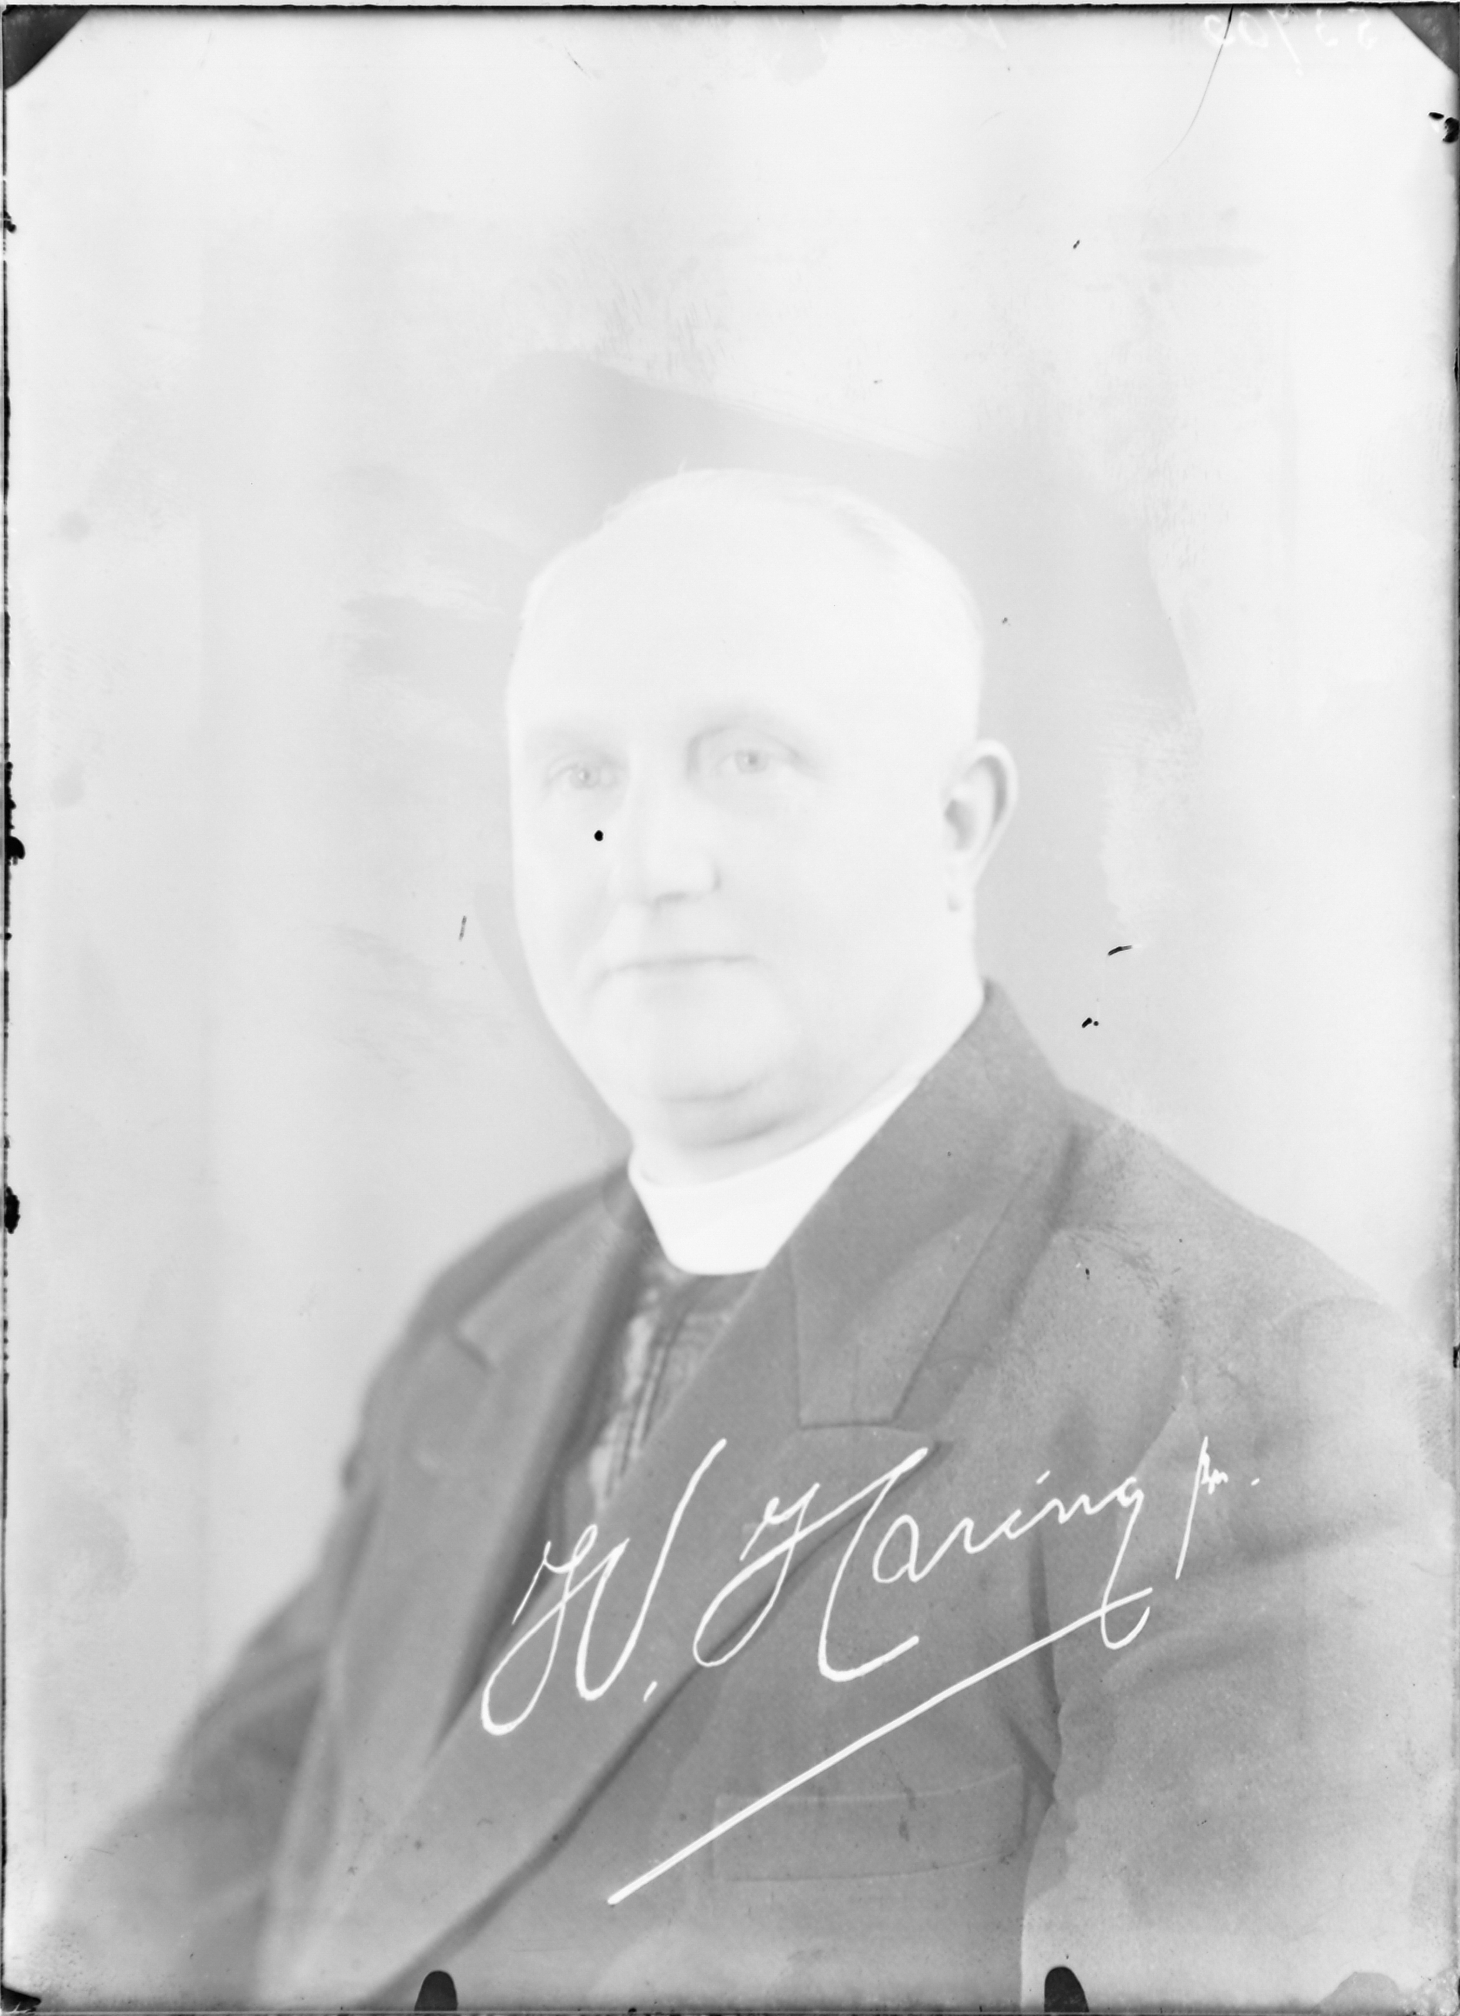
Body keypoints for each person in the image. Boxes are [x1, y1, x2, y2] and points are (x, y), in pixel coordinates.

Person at [43, 472, 1450, 2011]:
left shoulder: (1250, 1392)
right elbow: (180, 1899)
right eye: (580, 773)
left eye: (748, 760)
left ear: (957, 825)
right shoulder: (478, 1332)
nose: (646, 859)